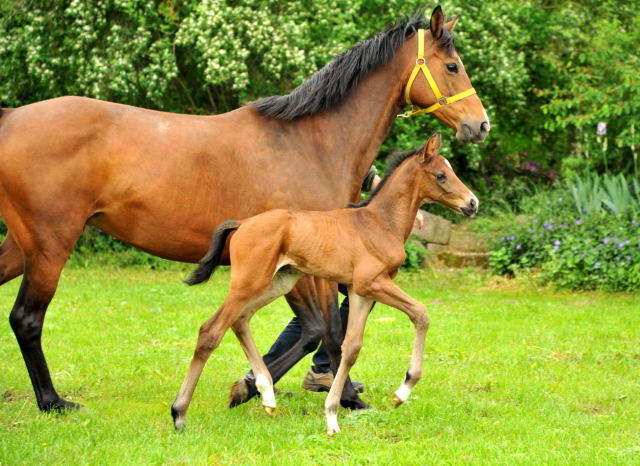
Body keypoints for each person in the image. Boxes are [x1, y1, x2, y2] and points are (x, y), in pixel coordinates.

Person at [234, 166, 424, 398]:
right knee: (316, 313)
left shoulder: (344, 142)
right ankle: (265, 376)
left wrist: (399, 206)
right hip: (312, 232)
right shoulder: (312, 143)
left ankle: (320, 369)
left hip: (339, 231)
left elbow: (365, 172)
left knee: (362, 292)